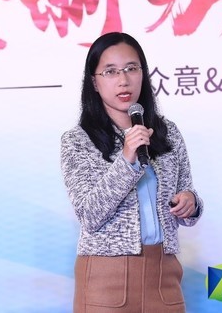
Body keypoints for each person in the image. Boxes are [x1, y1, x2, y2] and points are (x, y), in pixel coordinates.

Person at [60, 32, 203, 313]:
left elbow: (186, 198)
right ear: (94, 82)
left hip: (163, 275)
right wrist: (127, 159)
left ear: (143, 74)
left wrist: (191, 203)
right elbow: (90, 214)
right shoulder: (78, 141)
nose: (123, 80)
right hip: (106, 280)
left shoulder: (167, 133)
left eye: (131, 68)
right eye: (110, 71)